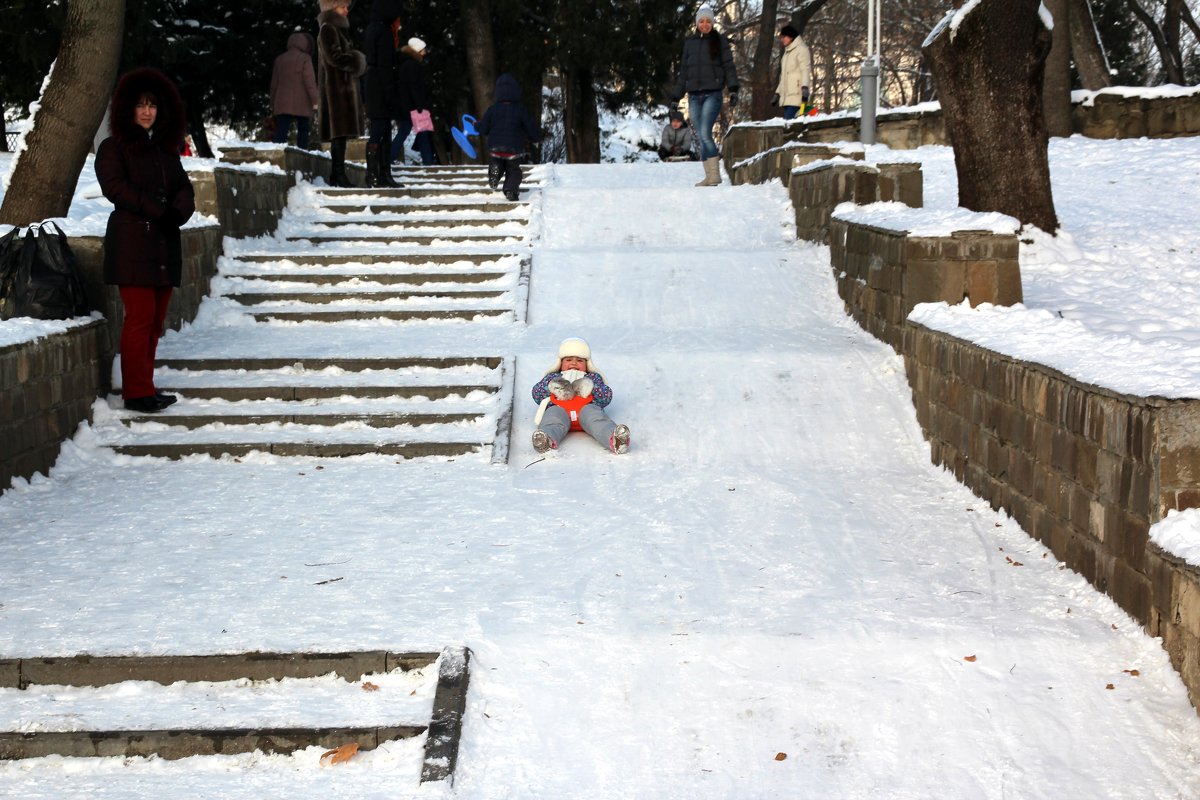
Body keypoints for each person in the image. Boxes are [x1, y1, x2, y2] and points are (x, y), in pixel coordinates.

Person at [95, 68, 196, 414]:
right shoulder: (113, 147)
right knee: (139, 317)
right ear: (128, 108)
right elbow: (115, 189)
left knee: (155, 321)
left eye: (152, 105)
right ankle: (135, 392)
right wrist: (159, 210)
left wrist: (177, 212)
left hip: (163, 246)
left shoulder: (166, 151)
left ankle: (145, 386)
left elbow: (184, 188)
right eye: (140, 104)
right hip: (132, 245)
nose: (147, 111)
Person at [669, 4, 739, 187]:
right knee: (701, 136)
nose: (705, 24)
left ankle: (715, 175)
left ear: (713, 23)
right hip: (693, 96)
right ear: (697, 23)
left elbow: (729, 66)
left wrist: (733, 89)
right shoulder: (690, 44)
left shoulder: (720, 41)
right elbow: (683, 73)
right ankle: (710, 176)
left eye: (709, 21)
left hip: (712, 94)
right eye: (702, 21)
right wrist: (676, 97)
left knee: (705, 133)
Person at [531, 338, 630, 455]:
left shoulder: (593, 377)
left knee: (597, 420)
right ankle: (546, 439)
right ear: (560, 363)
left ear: (587, 364)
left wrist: (591, 387)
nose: (573, 363)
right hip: (559, 408)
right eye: (568, 360)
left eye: (579, 360)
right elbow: (536, 394)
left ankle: (615, 439)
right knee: (553, 419)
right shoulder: (553, 376)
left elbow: (606, 397)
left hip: (586, 410)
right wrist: (551, 386)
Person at [316, 0, 366, 187]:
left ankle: (338, 174)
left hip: (340, 89)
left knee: (341, 135)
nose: (346, 10)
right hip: (336, 90)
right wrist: (358, 60)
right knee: (339, 134)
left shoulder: (335, 29)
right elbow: (334, 58)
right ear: (331, 8)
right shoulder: (328, 29)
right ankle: (337, 175)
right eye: (342, 6)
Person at [476, 73, 540, 201]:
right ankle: (511, 190)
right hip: (513, 148)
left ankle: (495, 172)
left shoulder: (492, 109)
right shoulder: (520, 110)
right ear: (516, 92)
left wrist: (476, 125)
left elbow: (483, 128)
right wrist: (535, 138)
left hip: (495, 147)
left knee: (497, 162)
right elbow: (529, 126)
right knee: (513, 171)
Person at [362, 0, 403, 187]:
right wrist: (390, 93)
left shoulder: (372, 29)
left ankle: (379, 174)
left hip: (373, 84)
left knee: (381, 129)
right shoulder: (384, 33)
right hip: (380, 86)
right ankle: (377, 174)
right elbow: (386, 66)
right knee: (380, 130)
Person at [269, 31, 320, 149]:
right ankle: (302, 153)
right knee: (303, 129)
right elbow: (310, 82)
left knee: (281, 130)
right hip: (301, 102)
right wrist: (315, 101)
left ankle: (278, 153)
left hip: (282, 102)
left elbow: (274, 84)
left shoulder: (280, 59)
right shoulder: (305, 58)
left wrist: (273, 103)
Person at [393, 37, 437, 166]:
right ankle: (428, 162)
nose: (425, 52)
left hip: (408, 107)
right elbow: (414, 88)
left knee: (411, 134)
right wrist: (420, 106)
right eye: (423, 50)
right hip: (414, 107)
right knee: (414, 134)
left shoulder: (406, 64)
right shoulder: (412, 65)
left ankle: (428, 162)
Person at [773, 24, 813, 120]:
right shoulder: (786, 54)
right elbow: (784, 77)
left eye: (784, 37)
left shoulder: (801, 50)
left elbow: (805, 70)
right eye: (781, 38)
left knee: (791, 126)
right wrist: (777, 93)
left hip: (798, 96)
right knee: (788, 127)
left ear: (791, 36)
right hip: (787, 98)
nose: (782, 40)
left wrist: (805, 87)